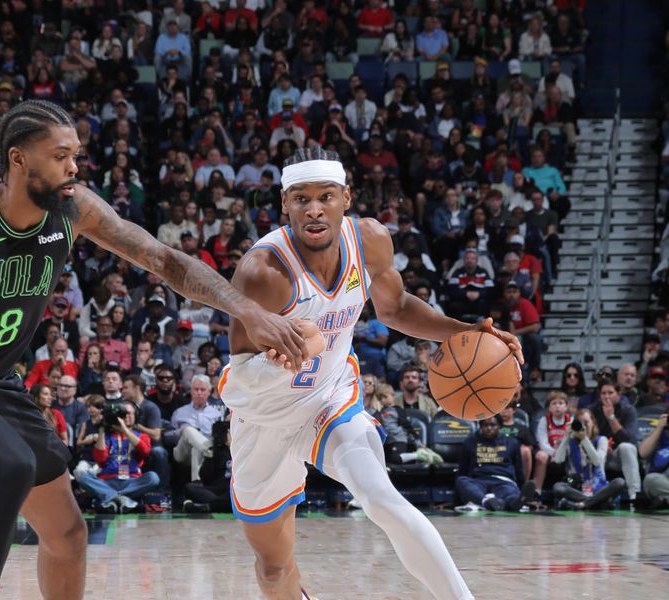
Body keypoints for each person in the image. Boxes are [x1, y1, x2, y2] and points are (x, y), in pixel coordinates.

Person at [0, 99, 308, 600]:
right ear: (18, 159)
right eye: (60, 156)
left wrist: (244, 308)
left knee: (69, 534)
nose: (74, 166)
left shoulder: (74, 208)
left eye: (76, 154)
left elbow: (161, 258)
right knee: (12, 467)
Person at [220, 147, 523, 600]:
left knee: (381, 498)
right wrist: (296, 350)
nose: (314, 208)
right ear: (285, 204)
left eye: (326, 196)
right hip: (263, 416)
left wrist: (466, 332)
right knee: (273, 568)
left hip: (330, 399)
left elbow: (396, 308)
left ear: (347, 197)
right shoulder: (263, 273)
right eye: (301, 198)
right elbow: (242, 377)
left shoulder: (371, 241)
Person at [75, 400, 160, 513]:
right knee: (82, 476)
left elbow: (145, 451)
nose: (126, 416)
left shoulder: (141, 436)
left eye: (129, 413)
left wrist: (124, 429)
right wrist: (101, 430)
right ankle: (122, 498)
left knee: (153, 477)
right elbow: (101, 460)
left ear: (136, 416)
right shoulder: (107, 436)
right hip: (107, 481)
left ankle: (110, 497)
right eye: (123, 414)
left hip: (132, 480)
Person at [455, 415, 537, 513]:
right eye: (485, 425)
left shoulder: (512, 443)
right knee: (461, 480)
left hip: (503, 480)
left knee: (509, 493)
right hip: (479, 480)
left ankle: (516, 502)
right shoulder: (469, 442)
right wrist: (454, 500)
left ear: (500, 426)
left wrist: (521, 488)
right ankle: (487, 502)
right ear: (480, 426)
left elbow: (518, 469)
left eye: (493, 425)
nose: (489, 428)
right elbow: (462, 469)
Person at [552, 408, 626, 510]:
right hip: (575, 485)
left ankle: (582, 504)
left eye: (586, 422)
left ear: (593, 423)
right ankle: (595, 503)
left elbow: (597, 461)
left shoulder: (602, 440)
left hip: (599, 485)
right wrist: (566, 437)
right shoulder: (571, 442)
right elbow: (558, 460)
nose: (583, 426)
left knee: (619, 482)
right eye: (580, 423)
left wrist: (584, 439)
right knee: (558, 487)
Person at [589, 380, 641, 502]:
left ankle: (634, 495)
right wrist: (601, 445)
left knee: (626, 447)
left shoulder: (628, 410)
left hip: (618, 457)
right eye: (603, 393)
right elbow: (586, 436)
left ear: (619, 394)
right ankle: (597, 493)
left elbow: (629, 439)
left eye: (610, 393)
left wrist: (611, 417)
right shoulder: (592, 410)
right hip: (598, 455)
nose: (606, 396)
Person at [171, 374, 223, 481]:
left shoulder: (216, 415)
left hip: (202, 456)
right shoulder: (179, 412)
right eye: (196, 389)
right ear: (191, 391)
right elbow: (167, 437)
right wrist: (181, 432)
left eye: (203, 389)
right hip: (182, 453)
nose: (199, 393)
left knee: (197, 449)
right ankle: (207, 448)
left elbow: (220, 438)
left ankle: (196, 484)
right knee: (189, 430)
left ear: (209, 392)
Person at [639, 409, 669, 509]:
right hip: (662, 482)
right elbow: (643, 453)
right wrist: (659, 428)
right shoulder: (658, 435)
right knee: (650, 479)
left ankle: (666, 500)